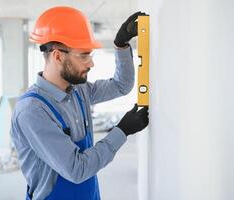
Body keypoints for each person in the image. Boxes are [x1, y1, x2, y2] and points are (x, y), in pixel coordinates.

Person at [10, 6, 149, 200]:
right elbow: (77, 169)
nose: (91, 63)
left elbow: (121, 85)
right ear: (58, 56)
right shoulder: (32, 111)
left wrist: (121, 45)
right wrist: (122, 131)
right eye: (84, 55)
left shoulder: (79, 91)